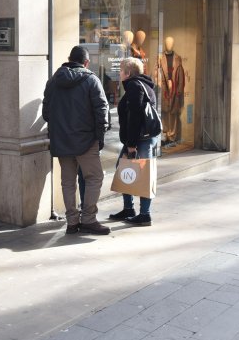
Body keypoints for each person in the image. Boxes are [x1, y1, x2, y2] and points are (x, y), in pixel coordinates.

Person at [42, 46, 111, 236]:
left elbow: (46, 113)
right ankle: (88, 219)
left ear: (69, 59)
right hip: (86, 140)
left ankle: (72, 222)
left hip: (62, 140)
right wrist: (100, 136)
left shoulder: (53, 81)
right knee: (94, 177)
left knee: (68, 181)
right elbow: (101, 110)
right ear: (86, 62)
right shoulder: (91, 80)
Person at [108, 57, 160, 226]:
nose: (119, 73)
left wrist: (131, 144)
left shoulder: (134, 86)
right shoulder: (144, 85)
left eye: (121, 70)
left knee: (143, 175)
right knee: (123, 169)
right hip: (144, 138)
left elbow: (135, 117)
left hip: (139, 140)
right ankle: (129, 209)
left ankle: (145, 214)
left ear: (128, 73)